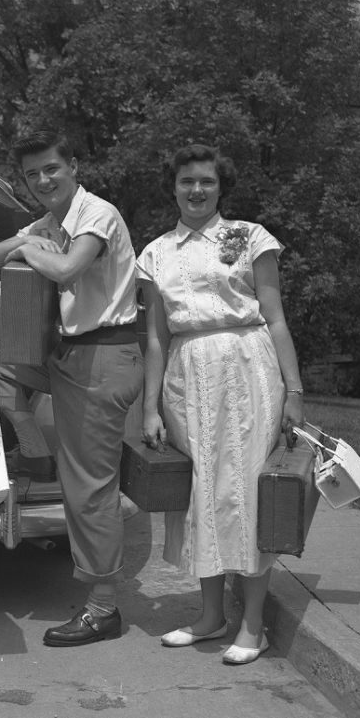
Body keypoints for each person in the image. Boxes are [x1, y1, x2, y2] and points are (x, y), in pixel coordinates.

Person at [0, 130, 143, 647]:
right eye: (32, 174)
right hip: (65, 356)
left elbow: (67, 268)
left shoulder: (97, 214)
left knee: (88, 486)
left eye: (51, 169)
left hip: (103, 356)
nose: (43, 180)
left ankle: (103, 608)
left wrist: (33, 250)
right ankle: (34, 447)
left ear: (74, 166)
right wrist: (22, 241)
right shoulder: (47, 223)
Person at [137, 144, 305, 665]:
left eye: (206, 181)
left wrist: (294, 390)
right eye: (186, 181)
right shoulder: (156, 253)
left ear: (220, 186)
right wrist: (150, 407)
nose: (196, 190)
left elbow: (274, 318)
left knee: (247, 493)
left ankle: (253, 625)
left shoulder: (249, 237)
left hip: (248, 369)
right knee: (202, 495)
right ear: (173, 187)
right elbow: (157, 338)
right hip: (187, 377)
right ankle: (211, 616)